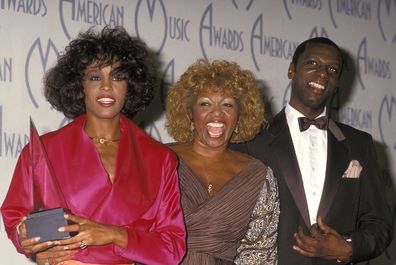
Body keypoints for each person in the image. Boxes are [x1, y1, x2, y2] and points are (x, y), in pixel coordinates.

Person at [1, 26, 186, 265]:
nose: (107, 86)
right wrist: (29, 243)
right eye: (95, 77)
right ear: (80, 86)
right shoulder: (44, 151)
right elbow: (16, 219)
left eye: (118, 77)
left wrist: (113, 234)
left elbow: (172, 249)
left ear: (130, 86)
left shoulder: (161, 159)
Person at [233, 37, 393, 264]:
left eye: (332, 69)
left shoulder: (360, 144)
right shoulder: (250, 140)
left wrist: (348, 248)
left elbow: (379, 223)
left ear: (337, 81)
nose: (322, 74)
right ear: (292, 70)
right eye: (312, 64)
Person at [165, 59, 279, 264]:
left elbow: (259, 253)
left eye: (227, 104)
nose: (217, 113)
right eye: (205, 103)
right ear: (189, 112)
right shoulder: (160, 159)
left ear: (240, 114)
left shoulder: (259, 176)